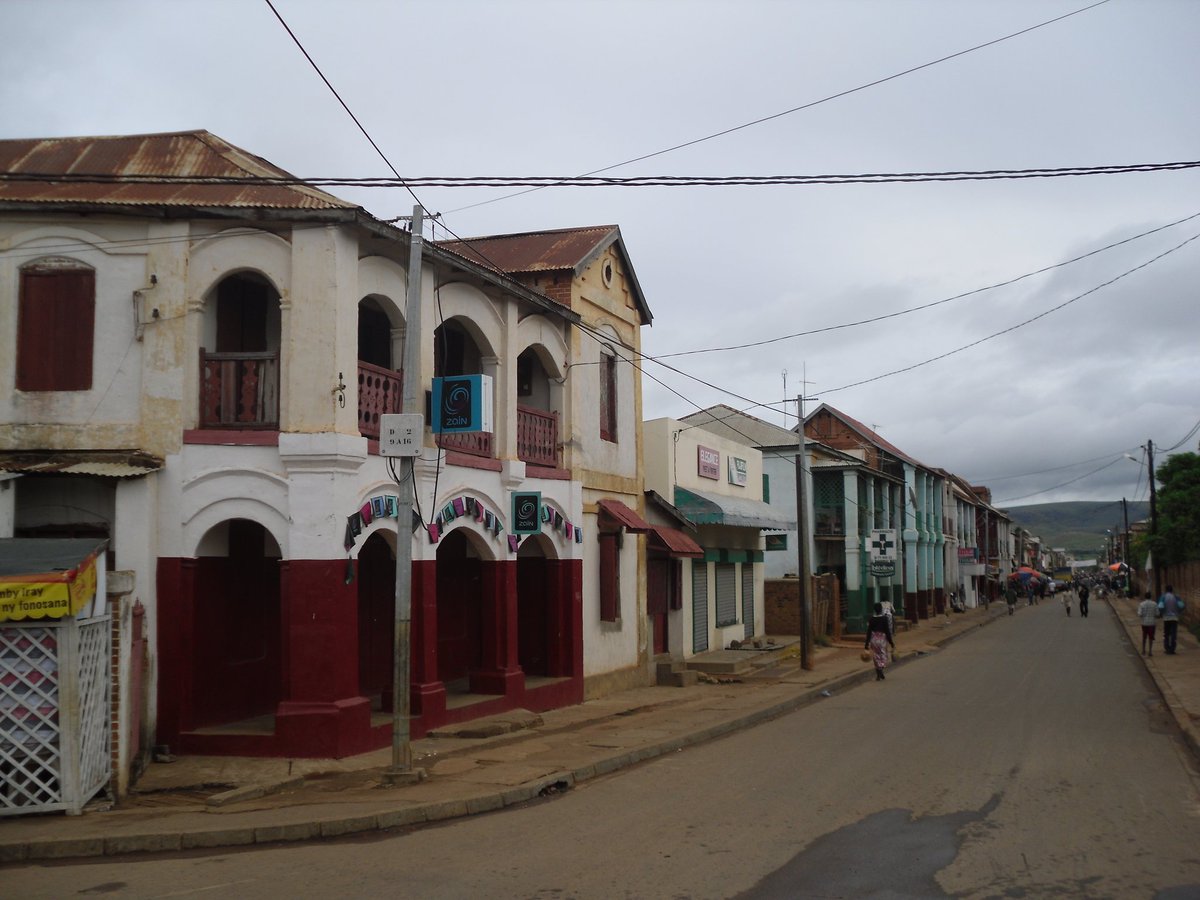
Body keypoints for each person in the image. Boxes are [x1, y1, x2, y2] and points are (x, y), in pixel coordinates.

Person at [864, 601, 895, 681]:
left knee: (875, 657)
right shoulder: (884, 618)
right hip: (882, 640)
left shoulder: (871, 619)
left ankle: (878, 674)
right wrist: (891, 643)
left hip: (873, 639)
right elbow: (887, 631)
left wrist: (866, 644)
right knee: (883, 655)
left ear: (874, 610)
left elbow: (869, 631)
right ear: (881, 609)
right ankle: (881, 668)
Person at [1158, 585, 1185, 655]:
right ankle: (1172, 649)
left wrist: (1162, 612)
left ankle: (1167, 648)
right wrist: (1178, 612)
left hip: (1166, 618)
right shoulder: (1176, 597)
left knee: (1166, 633)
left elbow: (1160, 606)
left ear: (1166, 590)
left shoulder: (1163, 597)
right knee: (1173, 634)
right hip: (1174, 618)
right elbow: (1182, 606)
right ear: (1172, 590)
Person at [1137, 591, 1160, 656]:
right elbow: (1157, 614)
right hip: (1152, 623)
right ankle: (1150, 651)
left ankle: (1143, 650)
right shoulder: (1154, 604)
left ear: (1145, 597)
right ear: (1151, 597)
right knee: (1151, 637)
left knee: (1144, 637)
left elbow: (1139, 614)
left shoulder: (1141, 604)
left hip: (1144, 623)